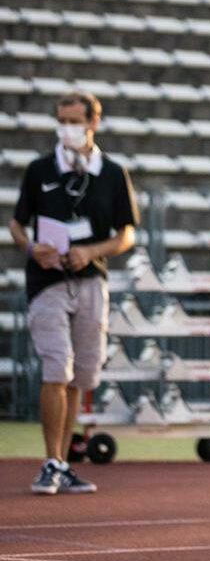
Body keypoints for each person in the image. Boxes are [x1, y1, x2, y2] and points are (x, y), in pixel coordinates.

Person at [9, 92, 138, 495]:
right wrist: (32, 248)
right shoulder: (39, 169)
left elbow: (126, 235)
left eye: (74, 120)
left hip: (91, 280)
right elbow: (17, 224)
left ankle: (62, 463)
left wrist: (90, 251)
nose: (67, 127)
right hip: (46, 281)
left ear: (92, 123)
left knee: (81, 375)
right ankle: (50, 460)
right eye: (61, 119)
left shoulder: (113, 173)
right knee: (56, 367)